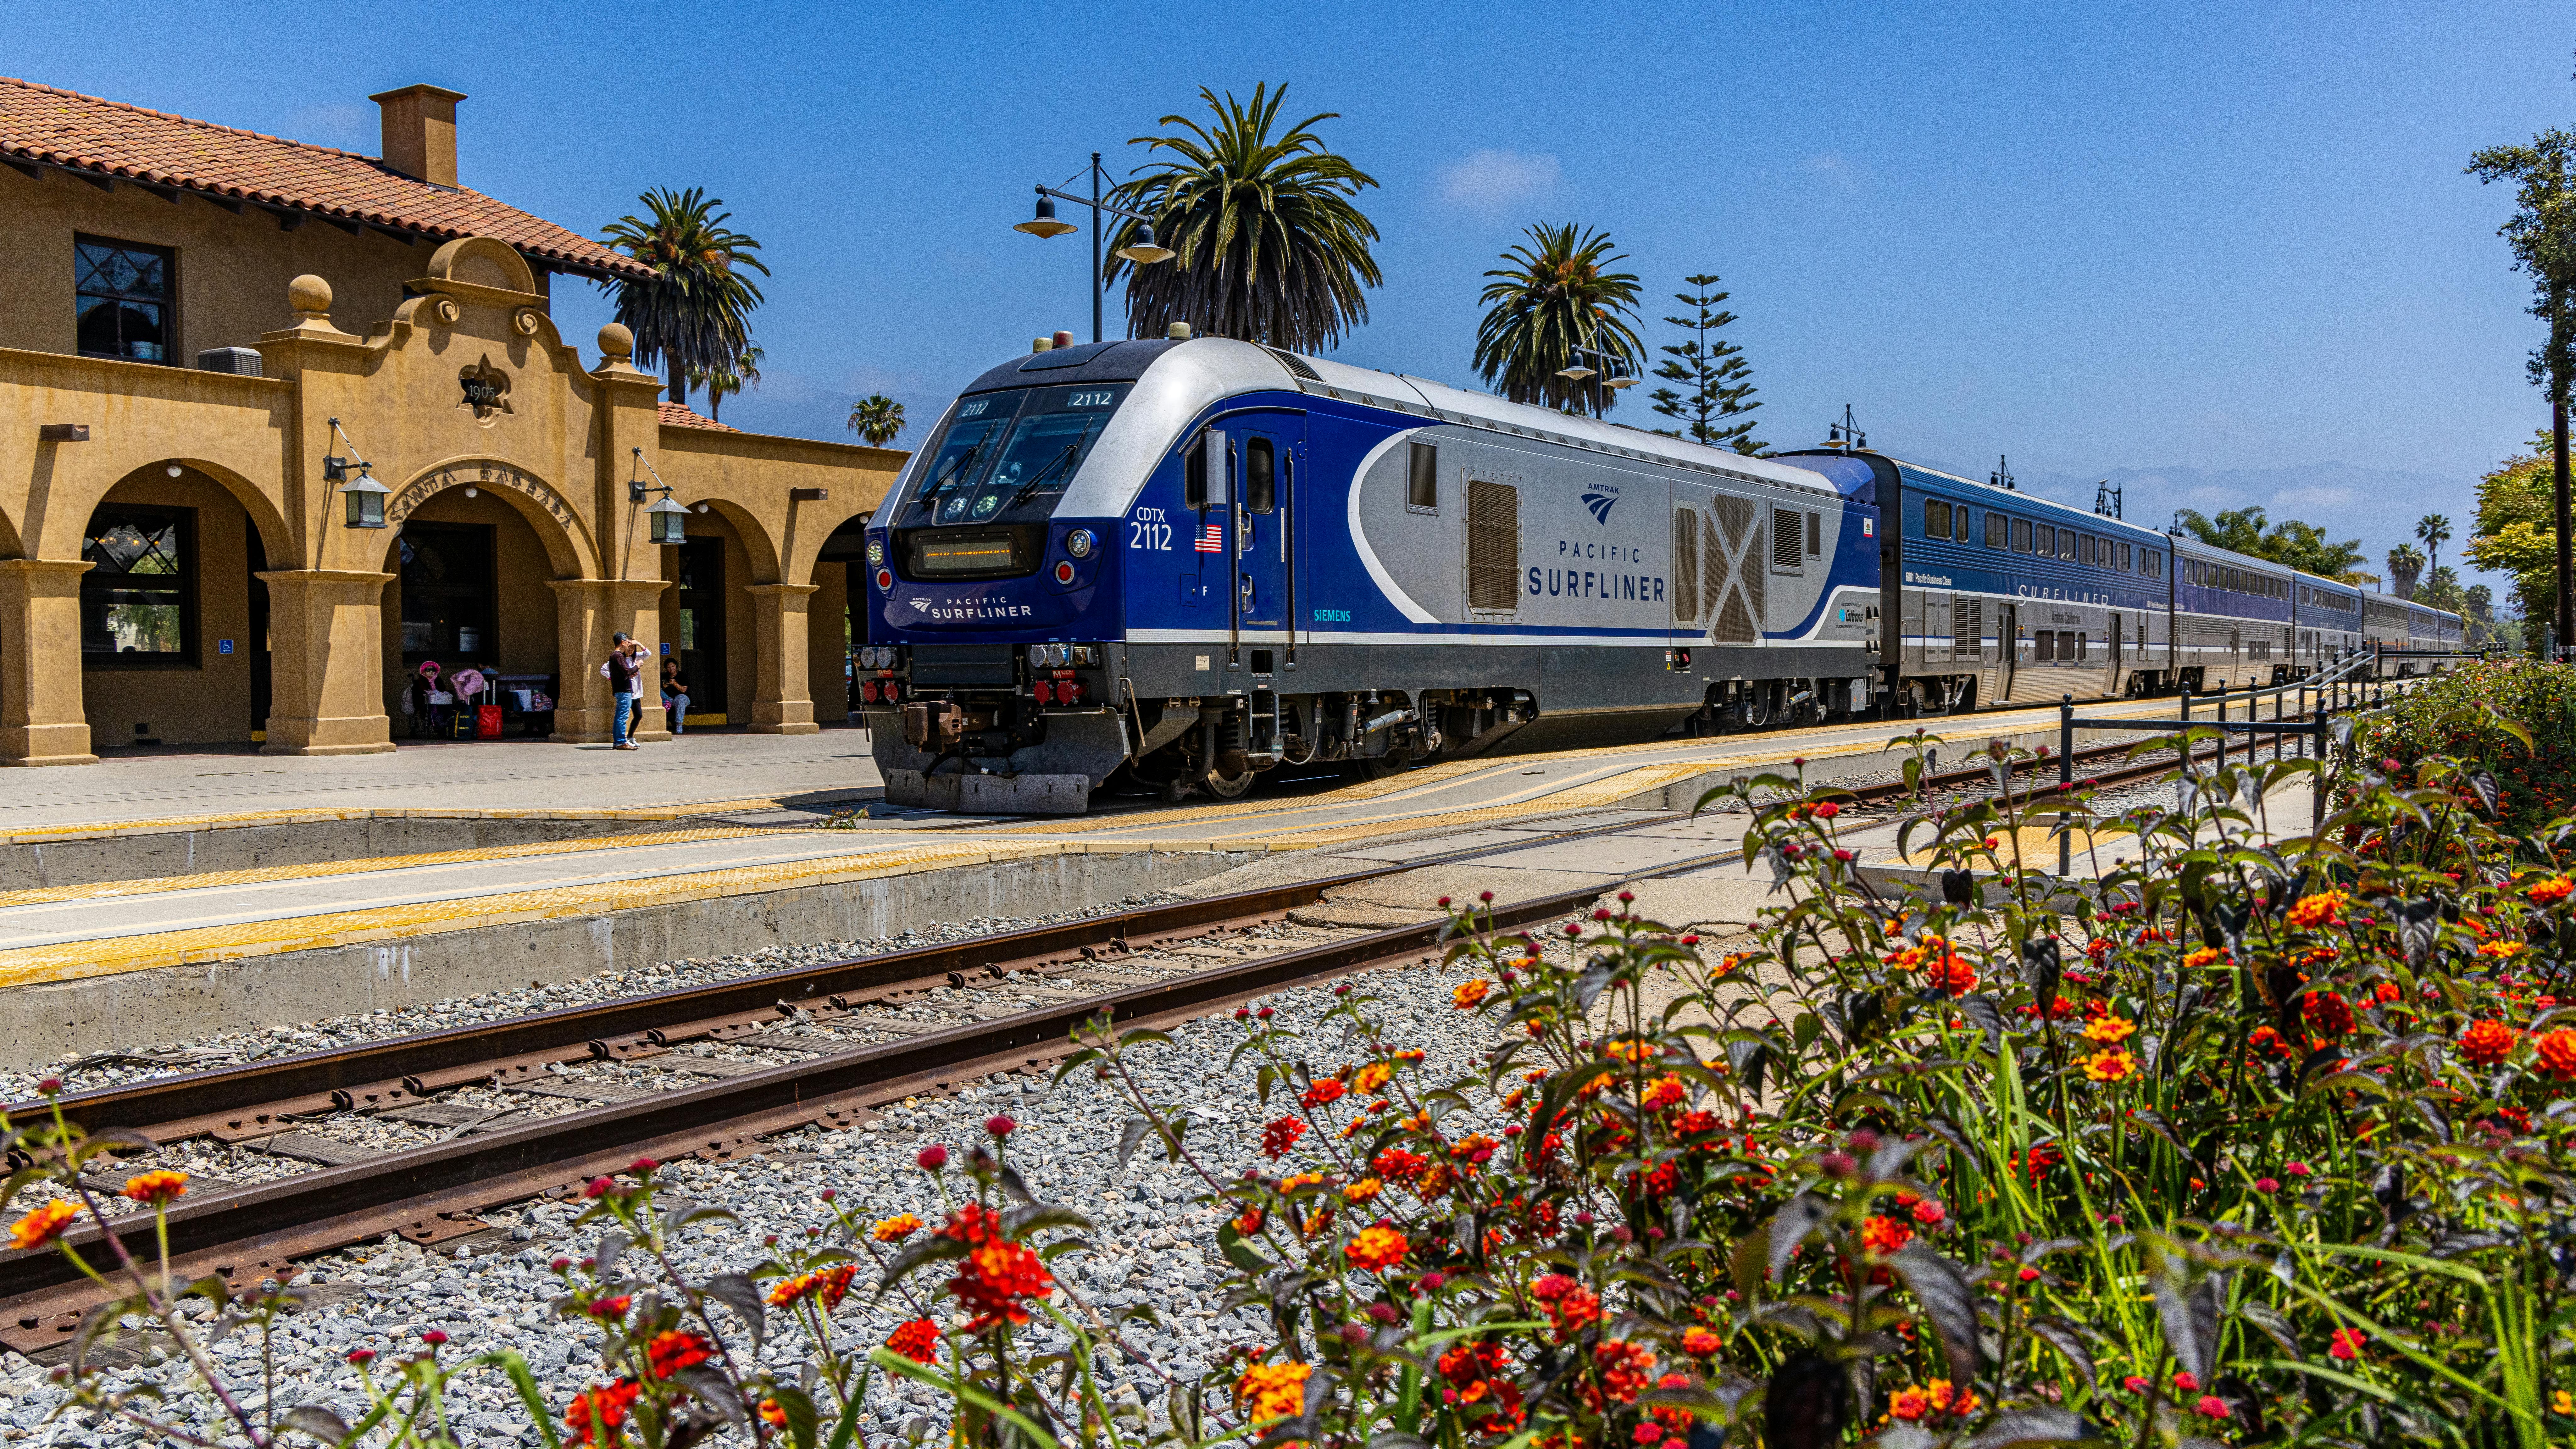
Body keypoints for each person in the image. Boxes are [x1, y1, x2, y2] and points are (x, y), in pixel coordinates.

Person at [605, 632, 641, 750]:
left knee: (619, 716)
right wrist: (638, 666)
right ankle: (621, 742)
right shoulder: (618, 655)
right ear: (622, 642)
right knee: (622, 717)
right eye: (627, 641)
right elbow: (627, 672)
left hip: (620, 690)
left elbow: (622, 673)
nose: (628, 644)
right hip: (624, 691)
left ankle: (618, 742)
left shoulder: (614, 656)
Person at [662, 657, 690, 736]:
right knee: (658, 691)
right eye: (668, 667)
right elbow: (662, 690)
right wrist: (664, 687)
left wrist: (675, 684)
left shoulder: (682, 675)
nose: (671, 669)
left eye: (673, 667)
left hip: (683, 698)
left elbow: (684, 690)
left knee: (680, 698)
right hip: (670, 699)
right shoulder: (664, 676)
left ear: (676, 667)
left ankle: (679, 724)